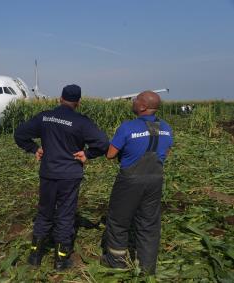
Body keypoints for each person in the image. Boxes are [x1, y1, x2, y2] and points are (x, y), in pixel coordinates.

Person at [14, 84, 109, 270]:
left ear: (60, 98)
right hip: (70, 175)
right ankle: (61, 260)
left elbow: (20, 134)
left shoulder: (45, 117)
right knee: (65, 214)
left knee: (44, 212)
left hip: (48, 173)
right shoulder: (81, 122)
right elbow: (103, 143)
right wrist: (87, 155)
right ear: (78, 102)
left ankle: (35, 256)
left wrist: (34, 149)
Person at [101, 91, 173, 274]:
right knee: (149, 223)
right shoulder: (165, 127)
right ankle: (147, 268)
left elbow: (110, 155)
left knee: (118, 220)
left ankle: (117, 262)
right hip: (155, 179)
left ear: (142, 106)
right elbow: (164, 153)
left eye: (136, 99)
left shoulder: (127, 127)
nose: (133, 101)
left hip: (130, 181)